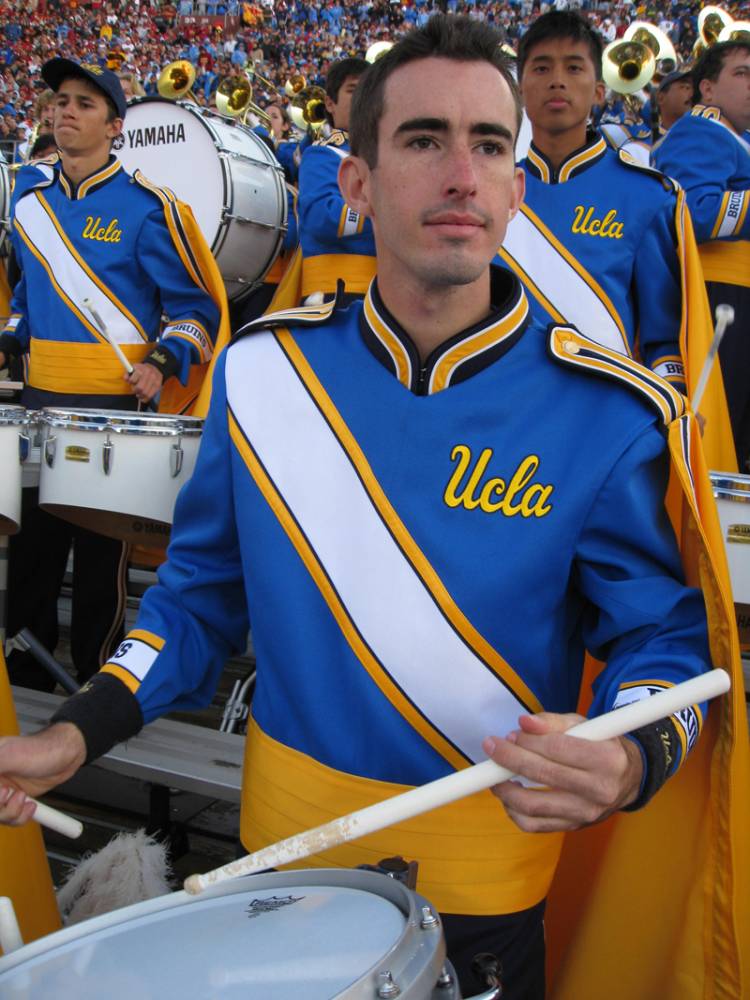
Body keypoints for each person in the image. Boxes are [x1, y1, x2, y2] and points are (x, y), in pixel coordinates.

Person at [0, 18, 745, 1000]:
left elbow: (667, 638)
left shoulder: (608, 411)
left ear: (517, 192)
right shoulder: (264, 373)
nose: (463, 173)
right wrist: (78, 729)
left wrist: (634, 748)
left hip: (489, 904)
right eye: (424, 138)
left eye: (490, 145)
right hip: (275, 869)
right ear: (355, 185)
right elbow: (194, 598)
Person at [0, 59, 221, 690]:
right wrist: (11, 336)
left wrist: (160, 362)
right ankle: (24, 675)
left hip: (113, 405)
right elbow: (25, 299)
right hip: (39, 399)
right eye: (59, 101)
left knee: (101, 559)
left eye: (84, 105)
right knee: (33, 552)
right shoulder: (29, 200)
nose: (64, 111)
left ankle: (98, 684)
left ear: (115, 126)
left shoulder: (150, 207)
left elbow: (194, 310)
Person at [497, 11, 690, 390]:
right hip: (505, 402)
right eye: (541, 69)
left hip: (606, 406)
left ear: (599, 91)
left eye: (573, 68)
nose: (557, 81)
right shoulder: (489, 189)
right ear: (520, 89)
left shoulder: (648, 195)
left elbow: (662, 337)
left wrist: (670, 405)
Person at [652, 40, 750, 470]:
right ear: (706, 89)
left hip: (734, 300)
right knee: (722, 439)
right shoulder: (701, 130)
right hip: (721, 300)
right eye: (742, 73)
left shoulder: (736, 138)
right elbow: (698, 212)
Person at [296, 57, 376, 304]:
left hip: (386, 296)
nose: (363, 98)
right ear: (330, 103)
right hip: (336, 297)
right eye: (353, 90)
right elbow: (323, 218)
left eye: (370, 90)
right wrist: (392, 216)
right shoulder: (323, 153)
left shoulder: (385, 154)